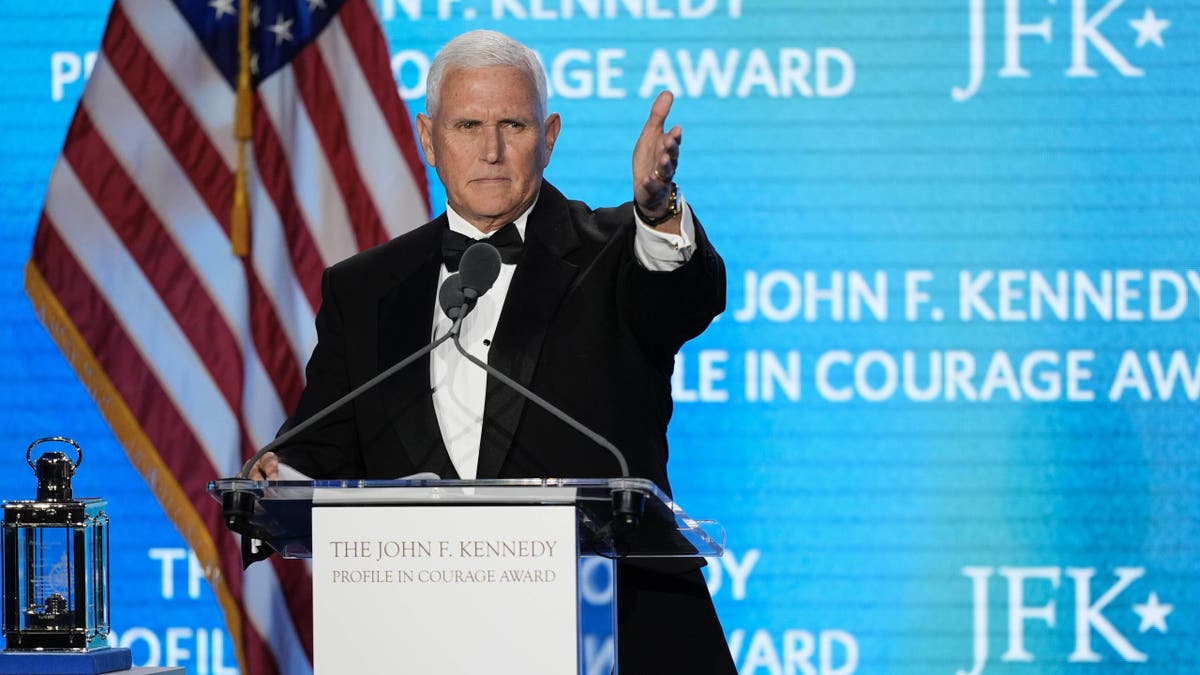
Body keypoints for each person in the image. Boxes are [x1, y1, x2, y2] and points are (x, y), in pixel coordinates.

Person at [251, 29, 735, 673]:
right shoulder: (363, 287)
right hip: (423, 638)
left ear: (551, 135)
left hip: (620, 629)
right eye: (468, 124)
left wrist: (657, 207)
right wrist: (278, 479)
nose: (491, 150)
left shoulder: (617, 251)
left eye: (514, 124)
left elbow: (682, 295)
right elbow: (322, 445)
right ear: (428, 138)